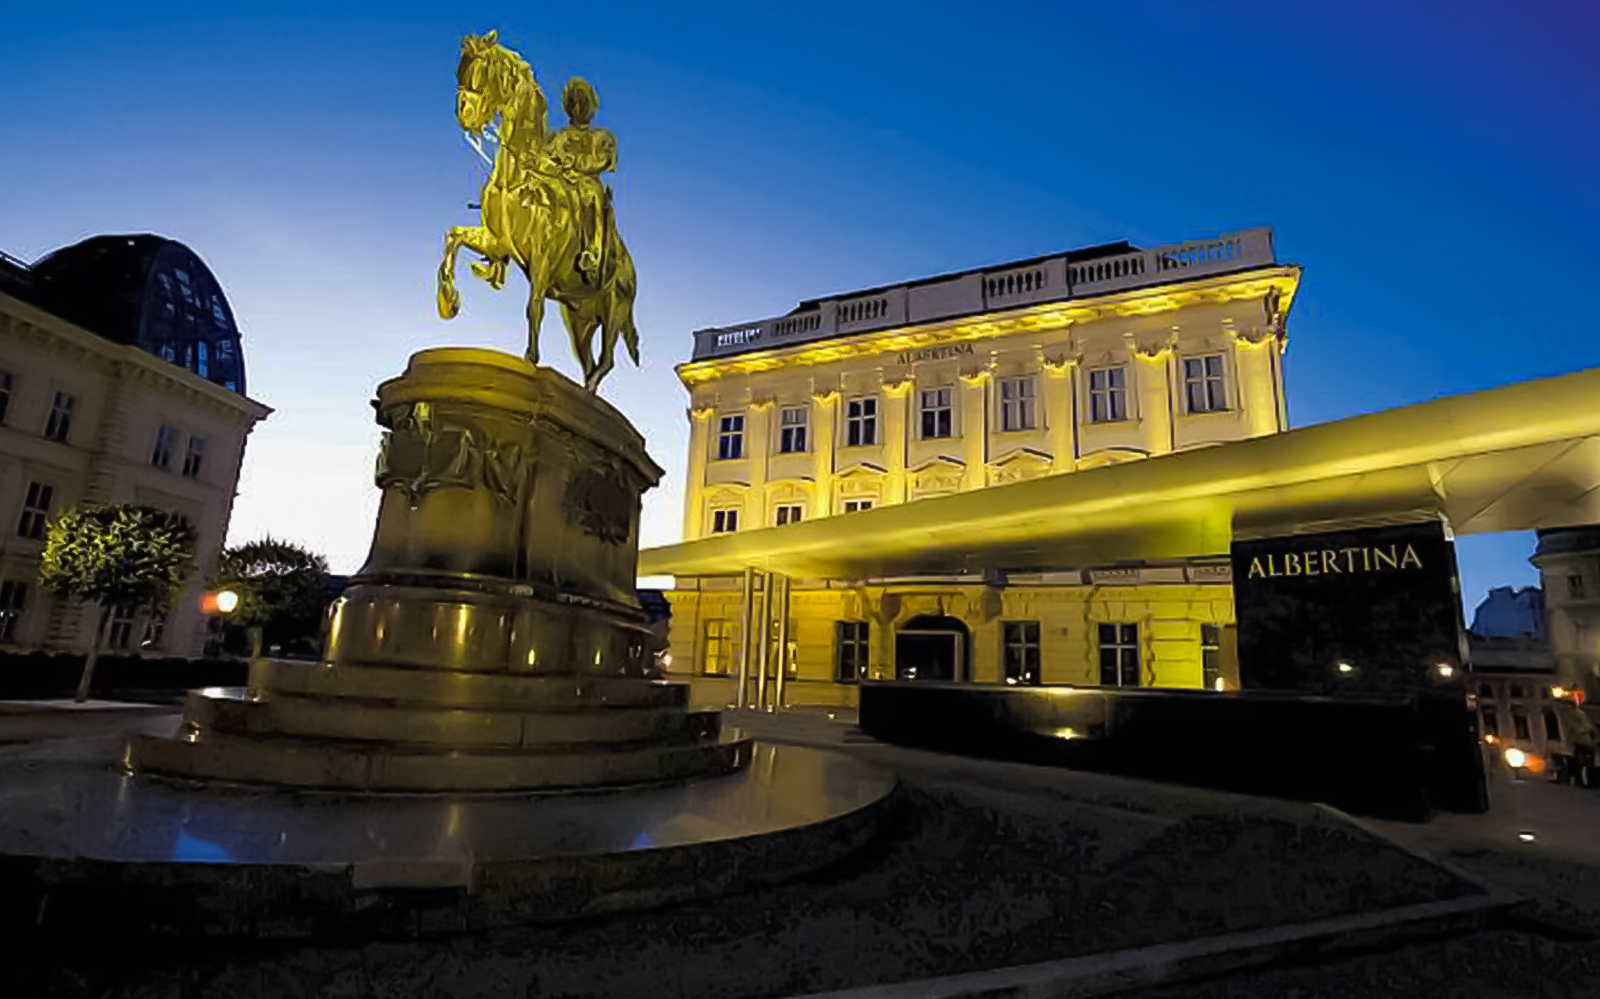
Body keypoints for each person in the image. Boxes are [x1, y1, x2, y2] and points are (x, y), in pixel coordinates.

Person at [541, 77, 615, 283]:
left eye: (584, 103)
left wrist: (573, 163)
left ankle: (592, 249)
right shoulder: (557, 138)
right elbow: (542, 158)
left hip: (586, 184)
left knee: (590, 196)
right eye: (575, 103)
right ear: (569, 107)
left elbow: (604, 160)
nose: (580, 108)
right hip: (559, 182)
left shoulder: (602, 137)